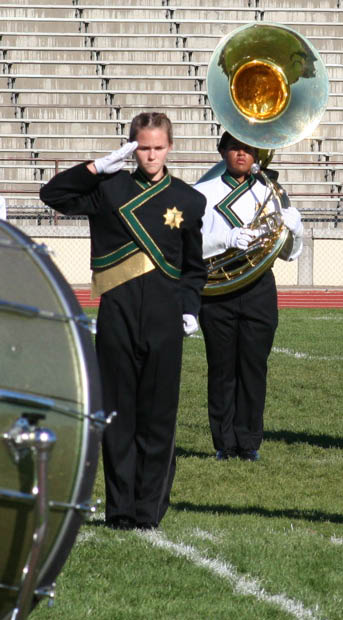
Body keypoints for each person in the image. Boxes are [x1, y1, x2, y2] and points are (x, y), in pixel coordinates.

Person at [40, 112, 207, 530]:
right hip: (116, 314)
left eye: (158, 147)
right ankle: (120, 509)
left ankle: (148, 510)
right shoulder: (109, 189)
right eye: (143, 147)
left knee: (158, 416)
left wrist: (190, 307)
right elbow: (52, 194)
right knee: (117, 415)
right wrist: (97, 167)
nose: (151, 156)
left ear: (170, 147)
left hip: (165, 317)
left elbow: (193, 266)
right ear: (132, 147)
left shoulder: (189, 200)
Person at [193, 132, 303, 462]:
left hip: (259, 289)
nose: (242, 154)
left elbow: (287, 254)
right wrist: (225, 238)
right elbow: (188, 244)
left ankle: (249, 441)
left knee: (254, 367)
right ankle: (224, 443)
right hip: (217, 289)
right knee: (222, 368)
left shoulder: (270, 193)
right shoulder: (203, 192)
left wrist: (295, 230)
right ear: (222, 151)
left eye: (248, 148)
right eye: (235, 148)